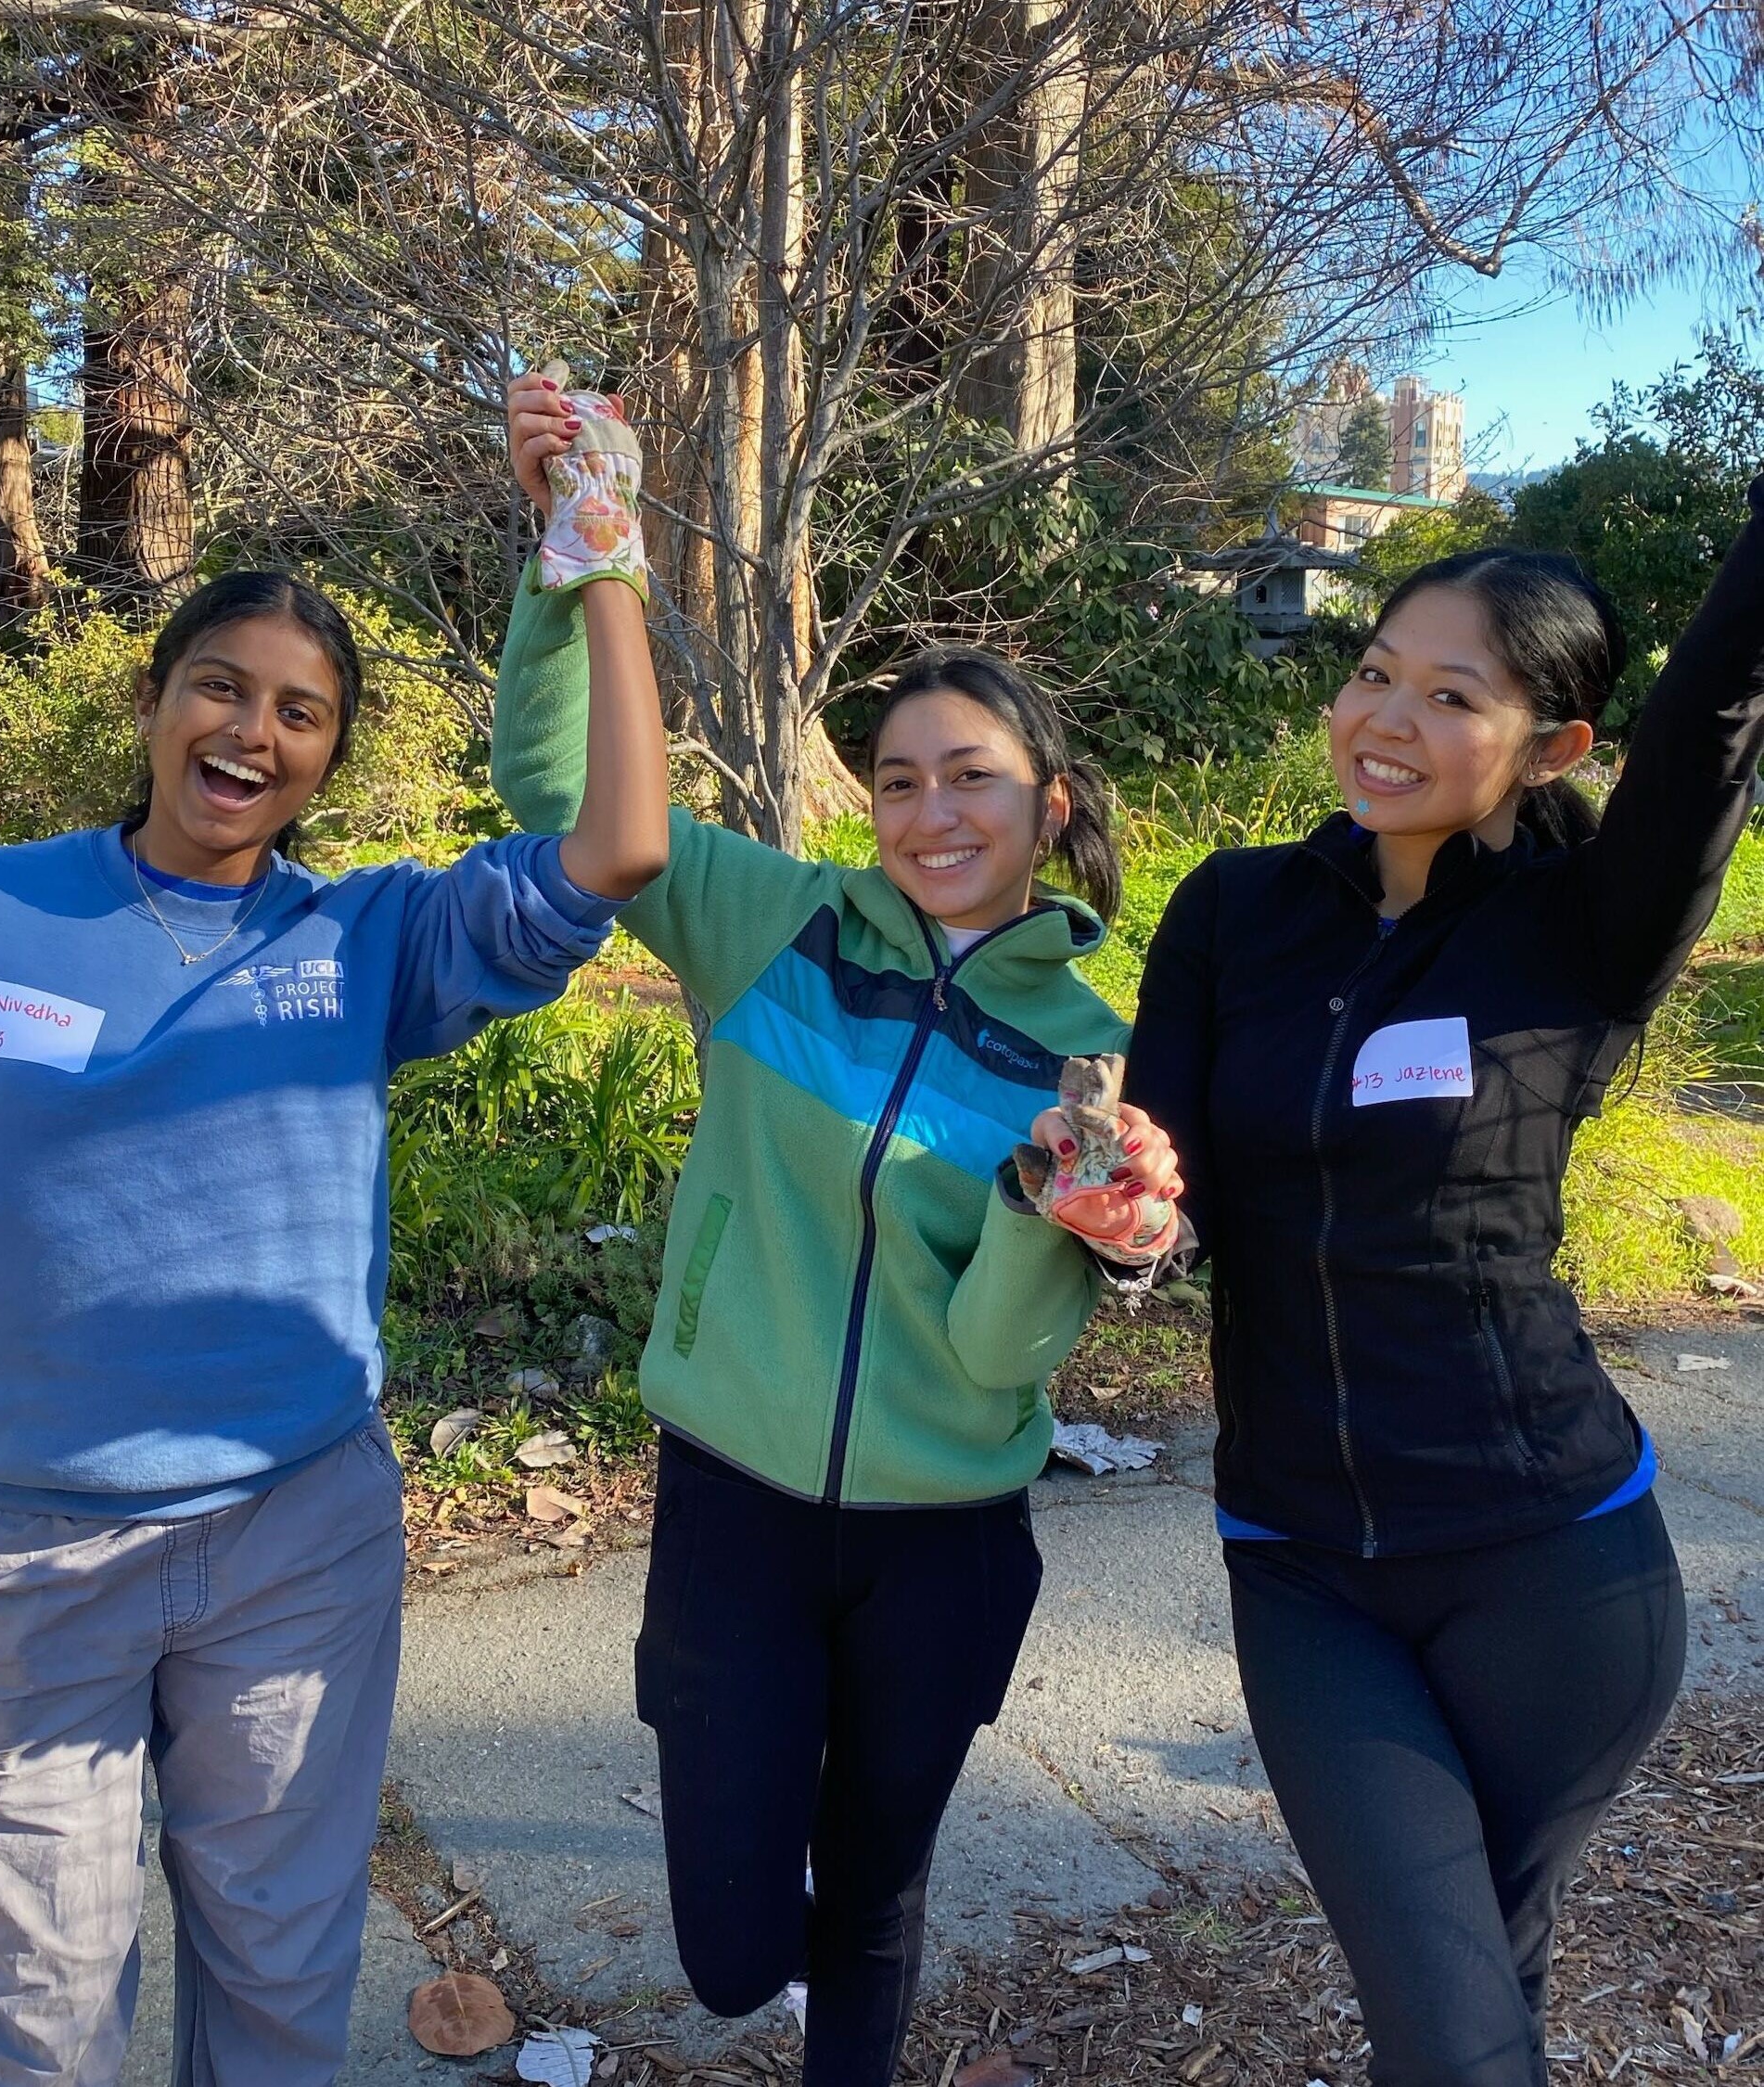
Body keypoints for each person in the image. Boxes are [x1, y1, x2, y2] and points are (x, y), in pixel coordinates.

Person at [0, 558, 668, 2086]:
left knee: (280, 1985)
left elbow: (618, 847)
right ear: (152, 700)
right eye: (221, 685)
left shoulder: (364, 941)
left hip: (292, 1543)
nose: (251, 731)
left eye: (302, 711)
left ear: (329, 755)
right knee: (39, 2023)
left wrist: (601, 567)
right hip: (20, 1558)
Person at [495, 369, 1185, 2085]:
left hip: (943, 1535)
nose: (930, 812)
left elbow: (996, 1350)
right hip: (733, 1499)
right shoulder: (772, 926)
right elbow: (554, 791)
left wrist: (1071, 1217)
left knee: (873, 1895)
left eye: (970, 776)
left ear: (1048, 798)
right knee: (734, 1949)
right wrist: (577, 563)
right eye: (895, 779)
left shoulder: (1083, 1042)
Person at [1123, 476, 1764, 2085]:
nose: (1382, 716)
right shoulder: (1229, 911)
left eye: (1450, 692)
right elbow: (1162, 1172)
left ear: (1554, 748)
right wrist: (1119, 1204)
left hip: (1551, 1563)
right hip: (1304, 1563)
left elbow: (1709, 715)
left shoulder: (1585, 929)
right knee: (1449, 2014)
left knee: (1478, 1997)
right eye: (1372, 670)